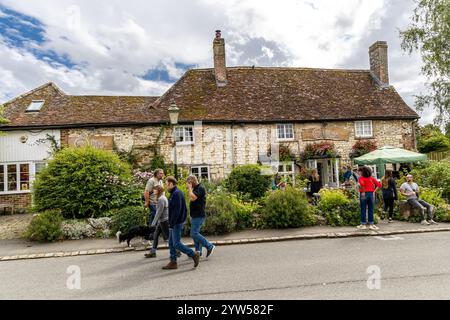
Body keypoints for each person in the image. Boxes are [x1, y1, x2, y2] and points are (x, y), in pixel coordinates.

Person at [162, 176, 200, 270]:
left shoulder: (176, 194)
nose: (166, 186)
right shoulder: (173, 193)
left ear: (171, 184)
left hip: (176, 223)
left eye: (166, 184)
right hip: (174, 222)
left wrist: (172, 223)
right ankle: (173, 262)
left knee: (176, 244)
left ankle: (193, 254)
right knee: (171, 243)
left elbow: (177, 211)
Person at [187, 175, 215, 258]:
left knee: (194, 233)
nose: (187, 185)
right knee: (196, 234)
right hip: (195, 215)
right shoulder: (195, 188)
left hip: (198, 215)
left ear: (192, 181)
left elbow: (194, 197)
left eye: (188, 183)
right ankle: (198, 252)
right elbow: (191, 198)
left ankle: (209, 246)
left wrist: (189, 189)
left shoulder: (200, 188)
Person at [145, 185, 169, 258]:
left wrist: (153, 223)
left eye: (155, 190)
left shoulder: (161, 199)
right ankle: (153, 252)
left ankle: (178, 251)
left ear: (159, 190)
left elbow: (159, 212)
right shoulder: (160, 198)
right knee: (155, 235)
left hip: (164, 221)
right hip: (161, 221)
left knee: (168, 238)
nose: (153, 191)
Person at [357, 166, 381, 230]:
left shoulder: (360, 178)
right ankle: (371, 224)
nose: (359, 172)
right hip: (371, 194)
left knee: (363, 209)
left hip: (364, 194)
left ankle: (363, 224)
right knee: (371, 209)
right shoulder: (371, 178)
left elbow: (362, 184)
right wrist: (374, 191)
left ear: (363, 172)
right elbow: (379, 185)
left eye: (360, 171)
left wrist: (363, 192)